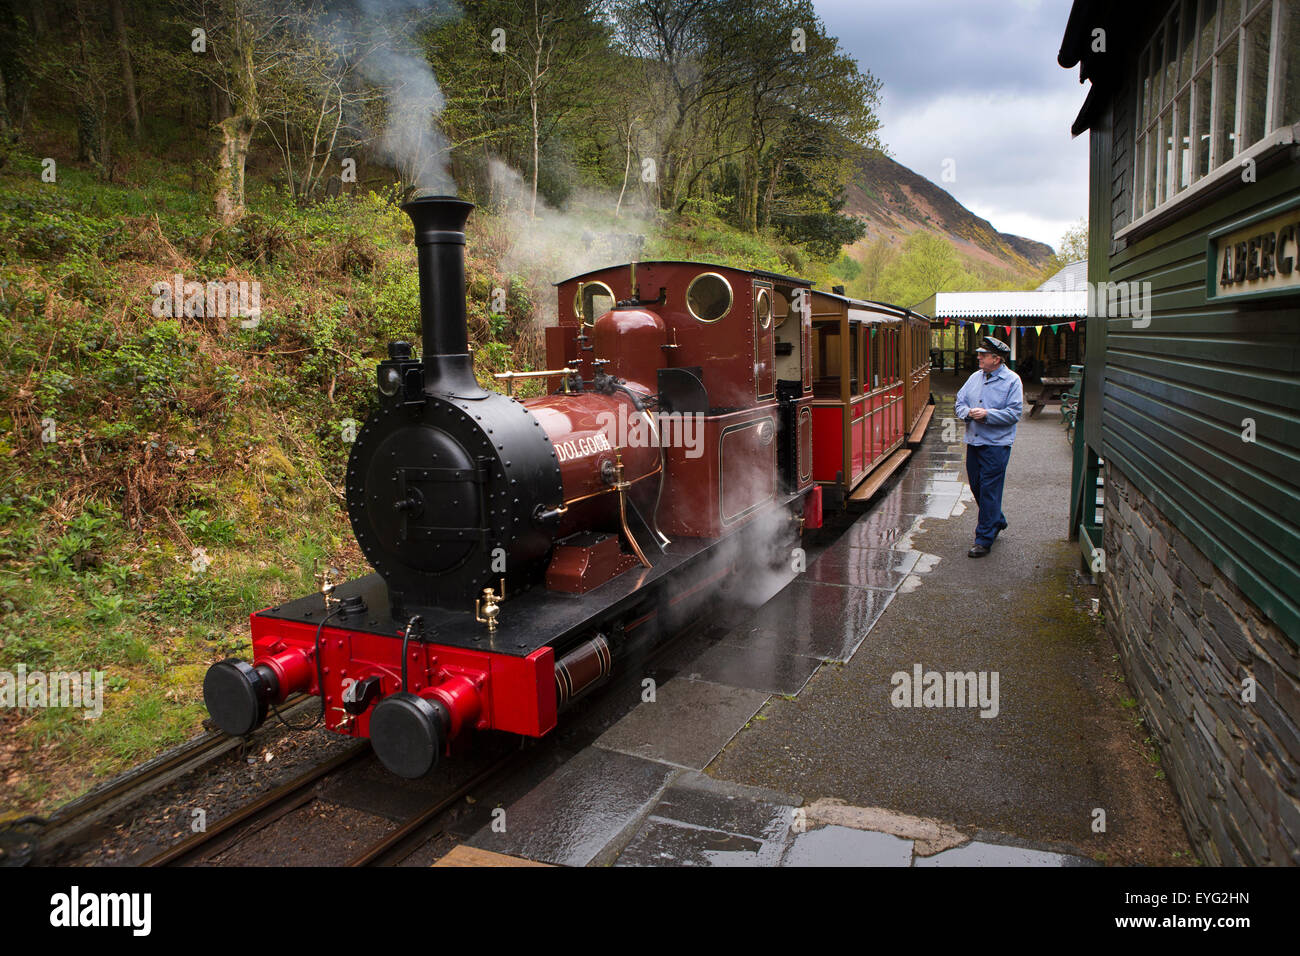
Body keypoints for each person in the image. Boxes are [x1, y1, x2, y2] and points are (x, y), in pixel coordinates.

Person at [955, 336, 1022, 558]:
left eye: (983, 355)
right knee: (977, 487)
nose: (979, 357)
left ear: (997, 359)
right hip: (974, 442)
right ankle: (997, 520)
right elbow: (959, 401)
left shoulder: (1012, 381)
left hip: (996, 445)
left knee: (989, 490)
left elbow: (1014, 414)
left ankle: (983, 539)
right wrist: (966, 413)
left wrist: (987, 415)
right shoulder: (975, 377)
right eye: (980, 354)